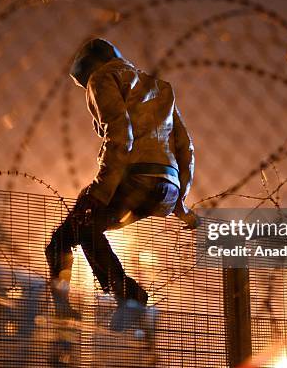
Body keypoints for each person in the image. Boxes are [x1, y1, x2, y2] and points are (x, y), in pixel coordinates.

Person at [45, 38, 198, 330]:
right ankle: (126, 295)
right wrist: (180, 200)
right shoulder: (160, 87)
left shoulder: (102, 77)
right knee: (86, 227)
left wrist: (100, 192)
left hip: (132, 176)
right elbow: (185, 148)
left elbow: (120, 136)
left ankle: (77, 306)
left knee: (61, 240)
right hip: (166, 187)